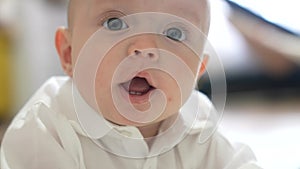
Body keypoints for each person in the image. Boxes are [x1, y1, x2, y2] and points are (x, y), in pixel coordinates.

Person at [1, 0, 262, 168]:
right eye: (115, 23)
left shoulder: (198, 123)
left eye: (175, 33)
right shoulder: (45, 129)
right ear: (69, 54)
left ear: (196, 72)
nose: (146, 48)